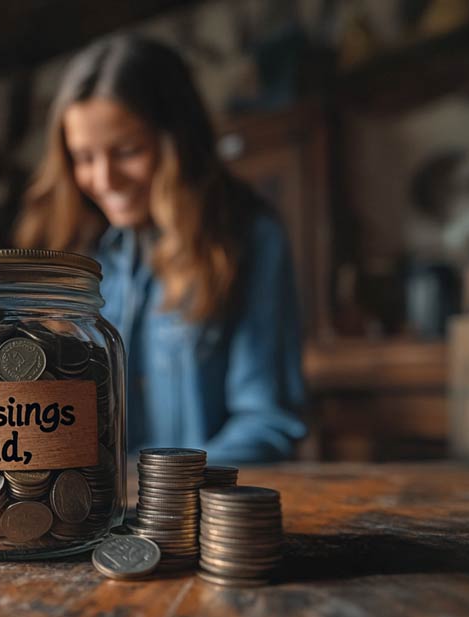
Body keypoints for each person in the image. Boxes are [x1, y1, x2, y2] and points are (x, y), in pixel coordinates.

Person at [15, 35, 305, 463]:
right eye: (83, 157)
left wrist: (159, 490)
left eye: (128, 151)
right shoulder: (81, 254)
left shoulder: (251, 238)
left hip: (199, 514)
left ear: (178, 142)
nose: (105, 179)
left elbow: (267, 422)